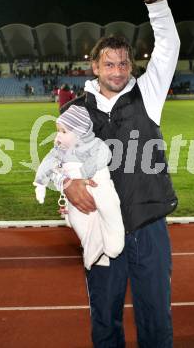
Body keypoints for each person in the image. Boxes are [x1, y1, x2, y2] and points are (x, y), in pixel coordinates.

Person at [61, 0, 180, 346]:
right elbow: (61, 160)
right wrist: (67, 184)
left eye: (123, 63)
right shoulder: (76, 110)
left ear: (131, 65)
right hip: (100, 226)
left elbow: (169, 46)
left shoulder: (148, 94)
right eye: (109, 63)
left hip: (148, 226)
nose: (117, 70)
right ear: (95, 66)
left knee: (156, 320)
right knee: (105, 320)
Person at [33, 105, 125, 270]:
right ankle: (95, 250)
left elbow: (104, 155)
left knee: (109, 209)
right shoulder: (60, 150)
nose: (59, 135)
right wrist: (40, 183)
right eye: (59, 131)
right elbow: (48, 163)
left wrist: (83, 173)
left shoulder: (95, 144)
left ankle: (114, 244)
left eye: (64, 131)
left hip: (99, 185)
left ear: (80, 132)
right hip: (75, 192)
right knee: (77, 220)